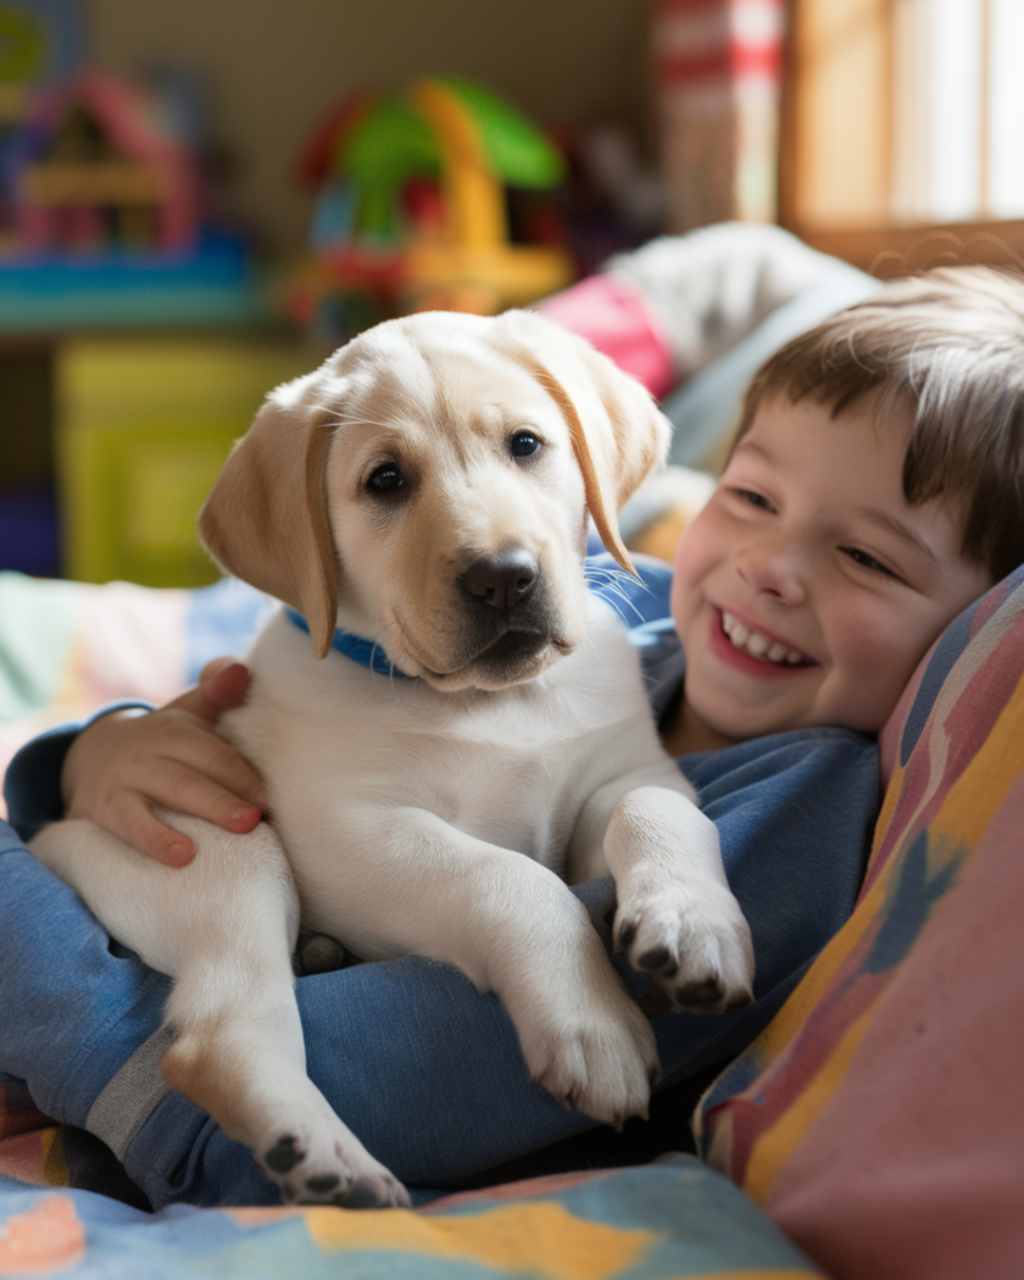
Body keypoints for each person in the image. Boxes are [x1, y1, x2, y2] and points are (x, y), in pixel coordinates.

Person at [1, 265, 1021, 1210]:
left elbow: (622, 801)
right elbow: (210, 719)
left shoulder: (804, 792)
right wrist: (86, 754)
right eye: (389, 481)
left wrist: (628, 871)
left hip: (177, 1061)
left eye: (523, 445)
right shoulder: (661, 626)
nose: (493, 552)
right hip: (124, 901)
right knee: (220, 829)